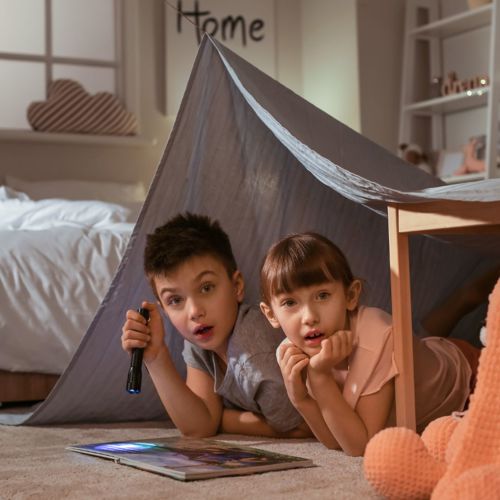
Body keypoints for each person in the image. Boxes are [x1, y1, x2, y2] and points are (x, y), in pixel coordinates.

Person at [259, 231, 497, 456]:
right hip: (424, 359)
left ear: (351, 296)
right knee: (415, 339)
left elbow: (360, 446)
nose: (309, 316)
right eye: (290, 303)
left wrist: (319, 378)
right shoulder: (296, 348)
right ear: (271, 315)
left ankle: (477, 292)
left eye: (322, 296)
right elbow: (335, 440)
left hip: (471, 377)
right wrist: (300, 398)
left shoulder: (376, 336)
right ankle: (467, 297)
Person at [121, 212, 307, 439]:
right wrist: (156, 357)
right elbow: (200, 426)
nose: (194, 311)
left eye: (206, 288)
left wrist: (224, 420)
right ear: (163, 309)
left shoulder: (254, 354)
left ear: (236, 286)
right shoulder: (200, 340)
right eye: (175, 300)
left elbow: (301, 427)